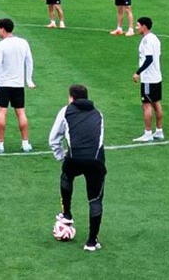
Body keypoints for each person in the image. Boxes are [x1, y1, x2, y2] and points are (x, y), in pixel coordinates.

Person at [48, 84, 106, 252]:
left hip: (74, 158)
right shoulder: (98, 114)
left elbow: (53, 138)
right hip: (96, 161)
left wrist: (61, 157)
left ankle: (67, 214)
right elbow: (99, 139)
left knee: (66, 175)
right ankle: (91, 242)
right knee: (95, 200)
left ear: (72, 98)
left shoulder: (66, 111)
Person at [0, 18, 35, 154]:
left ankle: (0, 144)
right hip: (18, 85)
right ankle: (26, 143)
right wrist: (29, 80)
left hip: (4, 84)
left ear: (3, 29)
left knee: (2, 112)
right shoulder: (23, 42)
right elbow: (29, 61)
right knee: (21, 112)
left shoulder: (0, 45)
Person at [132, 17, 164, 142]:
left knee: (146, 105)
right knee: (156, 103)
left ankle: (148, 133)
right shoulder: (155, 38)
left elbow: (149, 59)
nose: (137, 28)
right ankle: (159, 131)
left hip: (148, 78)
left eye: (138, 25)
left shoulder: (147, 41)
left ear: (144, 26)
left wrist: (138, 72)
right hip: (157, 76)